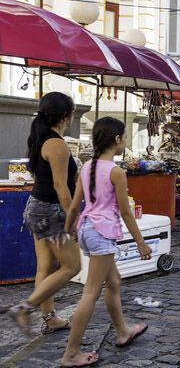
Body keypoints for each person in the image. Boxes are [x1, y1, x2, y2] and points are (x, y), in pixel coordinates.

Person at [60, 117, 151, 367]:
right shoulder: (116, 172)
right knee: (90, 292)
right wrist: (141, 242)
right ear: (117, 140)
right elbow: (125, 212)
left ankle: (123, 331)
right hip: (102, 232)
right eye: (123, 137)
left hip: (87, 229)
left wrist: (70, 229)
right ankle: (71, 353)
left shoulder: (87, 167)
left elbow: (76, 205)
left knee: (113, 281)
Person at [9, 92, 81, 335]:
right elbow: (61, 187)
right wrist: (73, 217)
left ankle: (49, 318)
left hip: (38, 208)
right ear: (66, 116)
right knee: (72, 266)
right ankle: (25, 307)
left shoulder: (41, 138)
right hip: (50, 212)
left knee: (46, 268)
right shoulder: (57, 145)